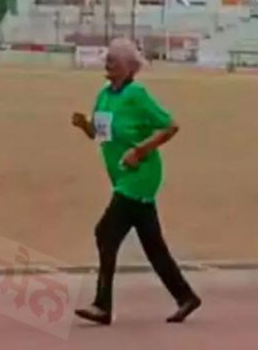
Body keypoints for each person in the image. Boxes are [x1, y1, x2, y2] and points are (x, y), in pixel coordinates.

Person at [71, 38, 201, 326]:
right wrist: (85, 126)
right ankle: (186, 296)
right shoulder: (104, 95)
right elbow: (100, 133)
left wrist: (140, 150)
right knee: (153, 245)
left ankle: (102, 305)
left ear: (130, 68)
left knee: (105, 232)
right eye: (107, 59)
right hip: (121, 177)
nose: (108, 64)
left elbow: (170, 125)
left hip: (140, 177)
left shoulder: (137, 94)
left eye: (114, 61)